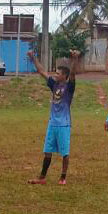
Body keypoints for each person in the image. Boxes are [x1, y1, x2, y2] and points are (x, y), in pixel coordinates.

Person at [27, 50, 78, 185]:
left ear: (64, 76)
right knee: (47, 151)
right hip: (52, 124)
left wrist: (74, 60)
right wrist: (34, 58)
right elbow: (42, 72)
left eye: (58, 73)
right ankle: (42, 177)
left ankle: (63, 177)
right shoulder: (54, 85)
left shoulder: (69, 87)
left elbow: (73, 74)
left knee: (64, 153)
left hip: (64, 125)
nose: (55, 75)